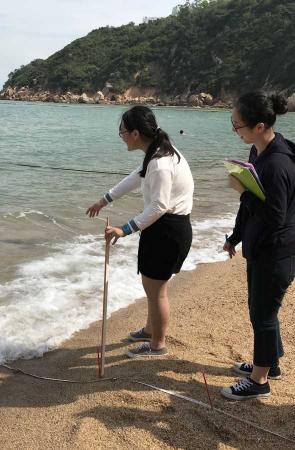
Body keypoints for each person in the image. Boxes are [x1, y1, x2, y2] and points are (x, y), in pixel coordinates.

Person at [86, 106, 194, 358]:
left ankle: (157, 345)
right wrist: (104, 200)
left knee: (157, 291)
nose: (121, 136)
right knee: (152, 287)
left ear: (135, 133)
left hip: (168, 231)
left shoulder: (160, 163)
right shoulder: (157, 152)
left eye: (122, 131)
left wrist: (124, 229)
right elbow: (136, 177)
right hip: (165, 228)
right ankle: (150, 329)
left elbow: (159, 206)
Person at [221, 92, 295, 401]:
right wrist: (234, 237)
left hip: (279, 250)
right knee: (263, 311)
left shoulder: (277, 164)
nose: (234, 131)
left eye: (237, 125)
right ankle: (270, 365)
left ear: (258, 126)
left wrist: (243, 192)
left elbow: (274, 216)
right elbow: (251, 208)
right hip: (263, 247)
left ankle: (259, 381)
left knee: (263, 315)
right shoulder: (259, 153)